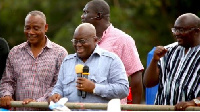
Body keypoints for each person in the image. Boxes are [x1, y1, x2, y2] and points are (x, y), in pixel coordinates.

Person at [48, 23, 129, 111]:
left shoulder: (111, 60)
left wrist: (95, 88)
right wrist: (56, 94)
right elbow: (59, 87)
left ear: (95, 40)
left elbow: (123, 90)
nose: (78, 45)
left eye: (82, 41)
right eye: (75, 41)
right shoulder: (67, 62)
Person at [0, 10, 68, 111]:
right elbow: (7, 80)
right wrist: (6, 95)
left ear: (46, 28)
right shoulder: (15, 52)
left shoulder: (60, 53)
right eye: (27, 28)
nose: (31, 32)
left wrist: (38, 102)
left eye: (36, 28)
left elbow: (59, 84)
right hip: (20, 109)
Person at [81, 0, 144, 104]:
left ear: (98, 15)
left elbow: (136, 78)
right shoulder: (84, 40)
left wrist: (135, 109)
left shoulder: (122, 40)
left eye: (86, 12)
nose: (82, 16)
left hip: (113, 106)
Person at [143, 13, 200, 111]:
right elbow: (148, 83)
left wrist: (193, 102)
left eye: (181, 30)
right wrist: (154, 60)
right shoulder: (168, 51)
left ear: (196, 31)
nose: (176, 33)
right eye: (175, 29)